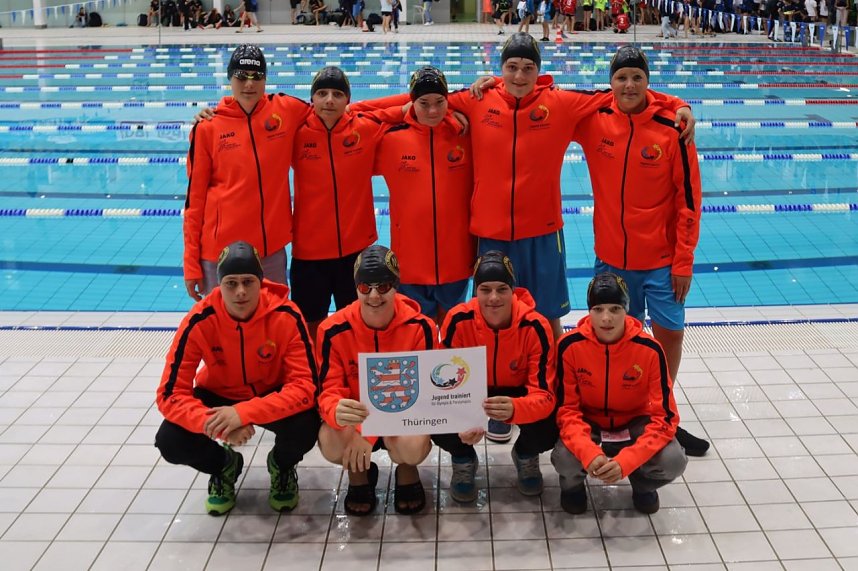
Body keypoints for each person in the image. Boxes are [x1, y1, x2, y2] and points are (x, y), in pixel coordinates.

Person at [457, 33, 695, 342]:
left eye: (528, 67)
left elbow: (624, 95)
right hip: (490, 232)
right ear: (500, 69)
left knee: (549, 318)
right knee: (489, 318)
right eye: (511, 67)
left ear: (538, 71)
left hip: (543, 233)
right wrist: (397, 112)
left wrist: (679, 102)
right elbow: (427, 99)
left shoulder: (561, 104)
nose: (519, 75)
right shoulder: (478, 99)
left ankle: (552, 388)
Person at [570, 46, 708, 457]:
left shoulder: (672, 128)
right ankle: (621, 417)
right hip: (611, 259)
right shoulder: (595, 118)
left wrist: (683, 261)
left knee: (668, 337)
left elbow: (690, 202)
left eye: (637, 77)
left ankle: (661, 415)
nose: (629, 85)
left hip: (663, 262)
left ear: (648, 82)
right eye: (621, 78)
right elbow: (549, 99)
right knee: (614, 343)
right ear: (610, 83)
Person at [154, 241, 319, 515]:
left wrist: (242, 413)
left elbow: (305, 387)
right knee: (171, 440)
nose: (240, 291)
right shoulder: (199, 320)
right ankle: (223, 465)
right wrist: (217, 424)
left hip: (270, 390)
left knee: (308, 425)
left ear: (261, 282)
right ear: (219, 285)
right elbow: (169, 394)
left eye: (248, 282)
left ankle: (281, 465)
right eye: (231, 283)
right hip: (218, 393)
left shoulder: (286, 316)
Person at [551, 273, 688, 515]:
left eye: (615, 308)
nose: (606, 318)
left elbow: (665, 419)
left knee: (673, 460)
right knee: (564, 457)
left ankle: (643, 484)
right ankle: (572, 487)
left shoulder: (650, 350)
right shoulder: (569, 346)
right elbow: (567, 411)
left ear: (627, 310)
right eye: (598, 309)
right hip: (590, 422)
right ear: (589, 311)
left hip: (635, 422)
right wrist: (589, 453)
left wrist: (629, 461)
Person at [183, 45, 311, 301]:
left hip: (270, 251)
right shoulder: (208, 128)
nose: (249, 85)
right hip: (220, 253)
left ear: (265, 79)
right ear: (230, 78)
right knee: (224, 333)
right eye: (241, 77)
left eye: (256, 77)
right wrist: (191, 264)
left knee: (274, 328)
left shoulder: (285, 109)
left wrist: (406, 105)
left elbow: (338, 109)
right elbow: (194, 202)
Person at [316, 245, 437, 516]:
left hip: (402, 418)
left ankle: (407, 468)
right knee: (331, 440)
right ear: (356, 287)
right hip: (357, 421)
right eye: (365, 287)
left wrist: (368, 436)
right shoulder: (333, 330)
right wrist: (336, 409)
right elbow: (328, 391)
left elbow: (426, 398)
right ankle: (359, 474)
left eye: (382, 287)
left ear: (396, 286)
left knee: (413, 446)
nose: (373, 295)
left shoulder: (421, 328)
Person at [290, 67, 407, 342]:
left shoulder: (364, 127)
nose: (329, 100)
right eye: (322, 93)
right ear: (312, 100)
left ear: (348, 100)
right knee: (310, 326)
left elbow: (401, 108)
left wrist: (439, 104)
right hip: (309, 254)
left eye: (337, 94)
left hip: (355, 251)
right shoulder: (295, 134)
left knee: (356, 326)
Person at [438, 251, 556, 502]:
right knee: (437, 417)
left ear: (513, 290)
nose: (493, 298)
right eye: (485, 289)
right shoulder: (458, 320)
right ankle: (463, 458)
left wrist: (516, 409)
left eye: (502, 289)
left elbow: (545, 395)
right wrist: (463, 421)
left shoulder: (535, 326)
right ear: (475, 291)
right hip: (471, 391)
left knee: (549, 424)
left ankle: (525, 453)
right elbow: (442, 389)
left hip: (517, 392)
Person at [374, 66, 474, 326]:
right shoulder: (389, 140)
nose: (433, 111)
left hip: (457, 259)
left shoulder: (465, 135)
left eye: (440, 102)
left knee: (454, 338)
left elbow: (495, 91)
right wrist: (398, 110)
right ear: (411, 102)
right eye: (423, 103)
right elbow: (355, 113)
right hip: (410, 263)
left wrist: (452, 112)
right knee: (419, 337)